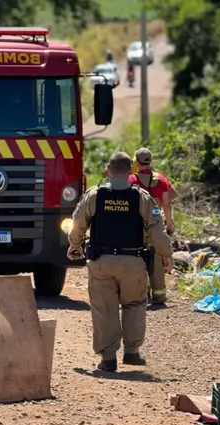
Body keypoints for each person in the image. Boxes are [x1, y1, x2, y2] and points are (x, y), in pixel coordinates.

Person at [68, 152, 173, 372]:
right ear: (131, 171)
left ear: (108, 169)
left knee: (104, 308)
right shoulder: (142, 197)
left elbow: (78, 223)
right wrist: (167, 254)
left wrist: (74, 244)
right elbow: (156, 230)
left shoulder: (94, 195)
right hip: (133, 262)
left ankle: (108, 359)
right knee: (134, 306)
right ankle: (132, 353)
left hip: (101, 261)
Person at [128, 147, 179, 305]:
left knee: (136, 257)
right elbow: (168, 202)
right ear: (151, 161)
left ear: (136, 161)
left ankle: (139, 294)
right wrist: (168, 223)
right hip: (156, 223)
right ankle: (159, 296)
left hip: (137, 225)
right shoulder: (160, 179)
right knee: (157, 257)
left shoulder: (132, 180)